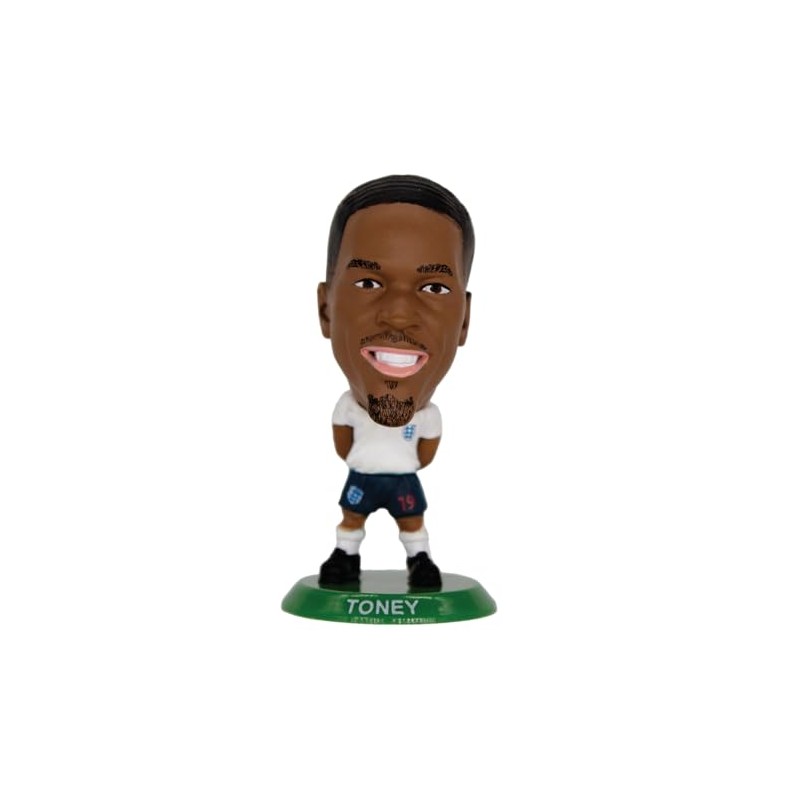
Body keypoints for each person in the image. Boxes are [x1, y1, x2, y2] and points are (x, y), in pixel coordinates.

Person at [317, 175, 475, 588]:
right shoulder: (348, 407)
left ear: (464, 321)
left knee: (412, 520)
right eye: (368, 284)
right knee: (351, 517)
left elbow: (426, 451)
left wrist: (407, 464)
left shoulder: (428, 417)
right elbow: (342, 441)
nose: (399, 315)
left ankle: (419, 559)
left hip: (402, 477)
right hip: (363, 476)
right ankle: (345, 556)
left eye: (434, 287)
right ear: (325, 309)